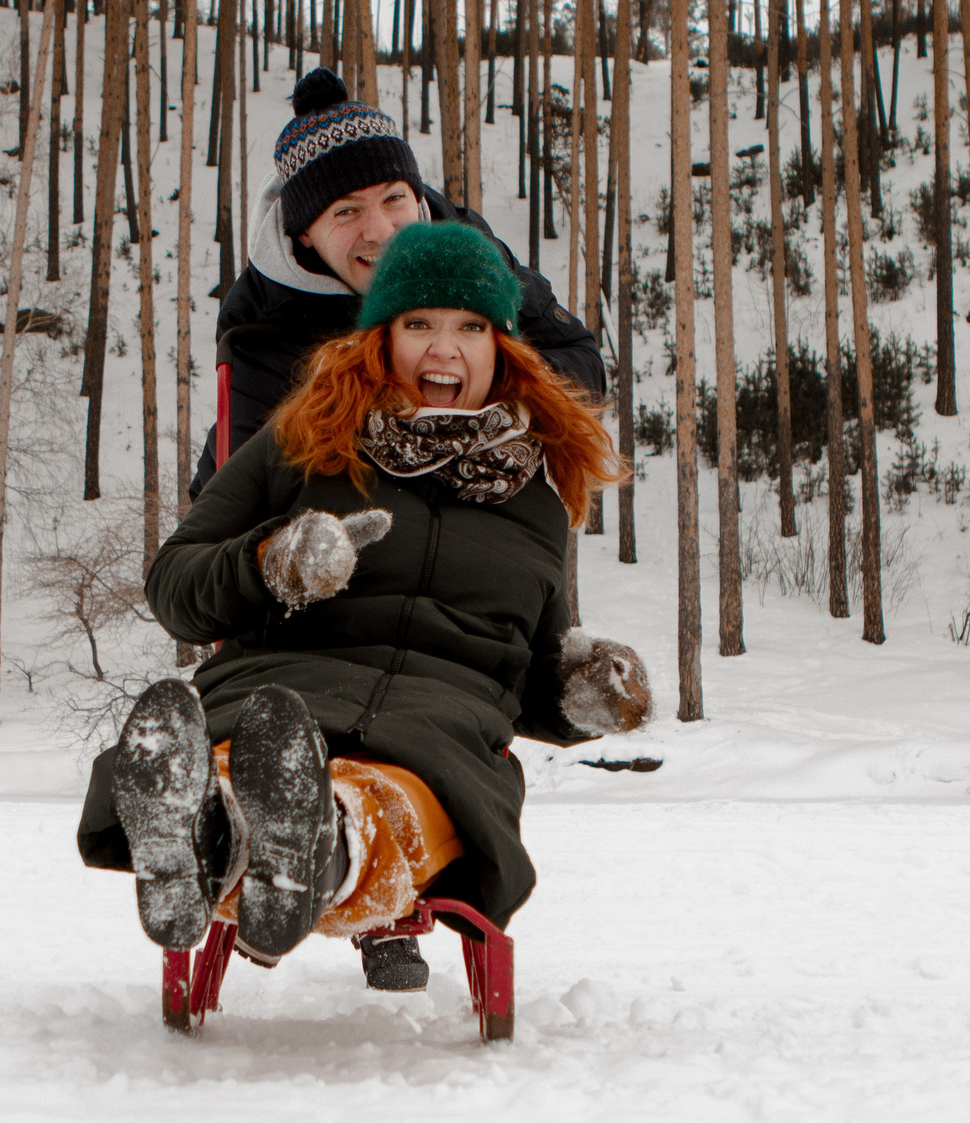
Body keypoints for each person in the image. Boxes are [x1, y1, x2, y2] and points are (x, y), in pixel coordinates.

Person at [80, 220, 653, 992]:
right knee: (253, 757)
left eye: (469, 327)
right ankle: (198, 830)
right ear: (379, 339)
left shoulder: (542, 495)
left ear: (503, 346)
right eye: (418, 324)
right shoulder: (302, 442)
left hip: (441, 729)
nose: (443, 350)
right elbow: (174, 586)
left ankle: (301, 849)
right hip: (275, 693)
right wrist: (270, 565)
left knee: (383, 801)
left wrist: (582, 691)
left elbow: (521, 663)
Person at [193, 67, 606, 499]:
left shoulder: (468, 260)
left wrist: (477, 401)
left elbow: (581, 362)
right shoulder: (264, 324)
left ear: (417, 196)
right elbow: (231, 498)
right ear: (304, 234)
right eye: (346, 211)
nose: (381, 230)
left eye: (393, 199)